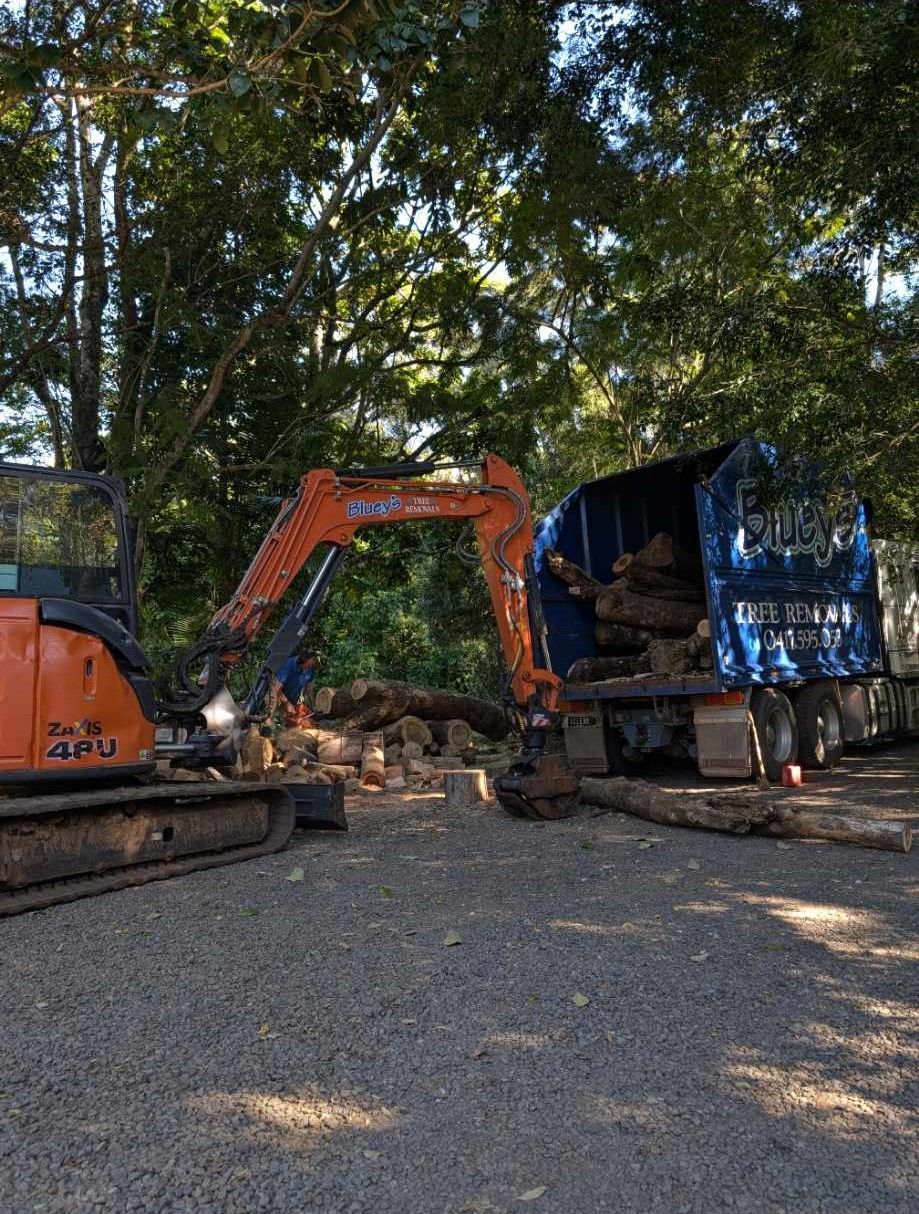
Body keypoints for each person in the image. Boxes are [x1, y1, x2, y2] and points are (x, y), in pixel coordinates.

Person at [275, 650, 317, 726]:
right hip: (278, 697)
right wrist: (287, 703)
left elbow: (309, 689)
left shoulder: (310, 667)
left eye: (311, 665)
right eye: (308, 666)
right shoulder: (288, 666)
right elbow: (276, 688)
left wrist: (312, 705)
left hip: (292, 699)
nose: (309, 668)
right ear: (301, 662)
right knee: (275, 722)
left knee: (293, 721)